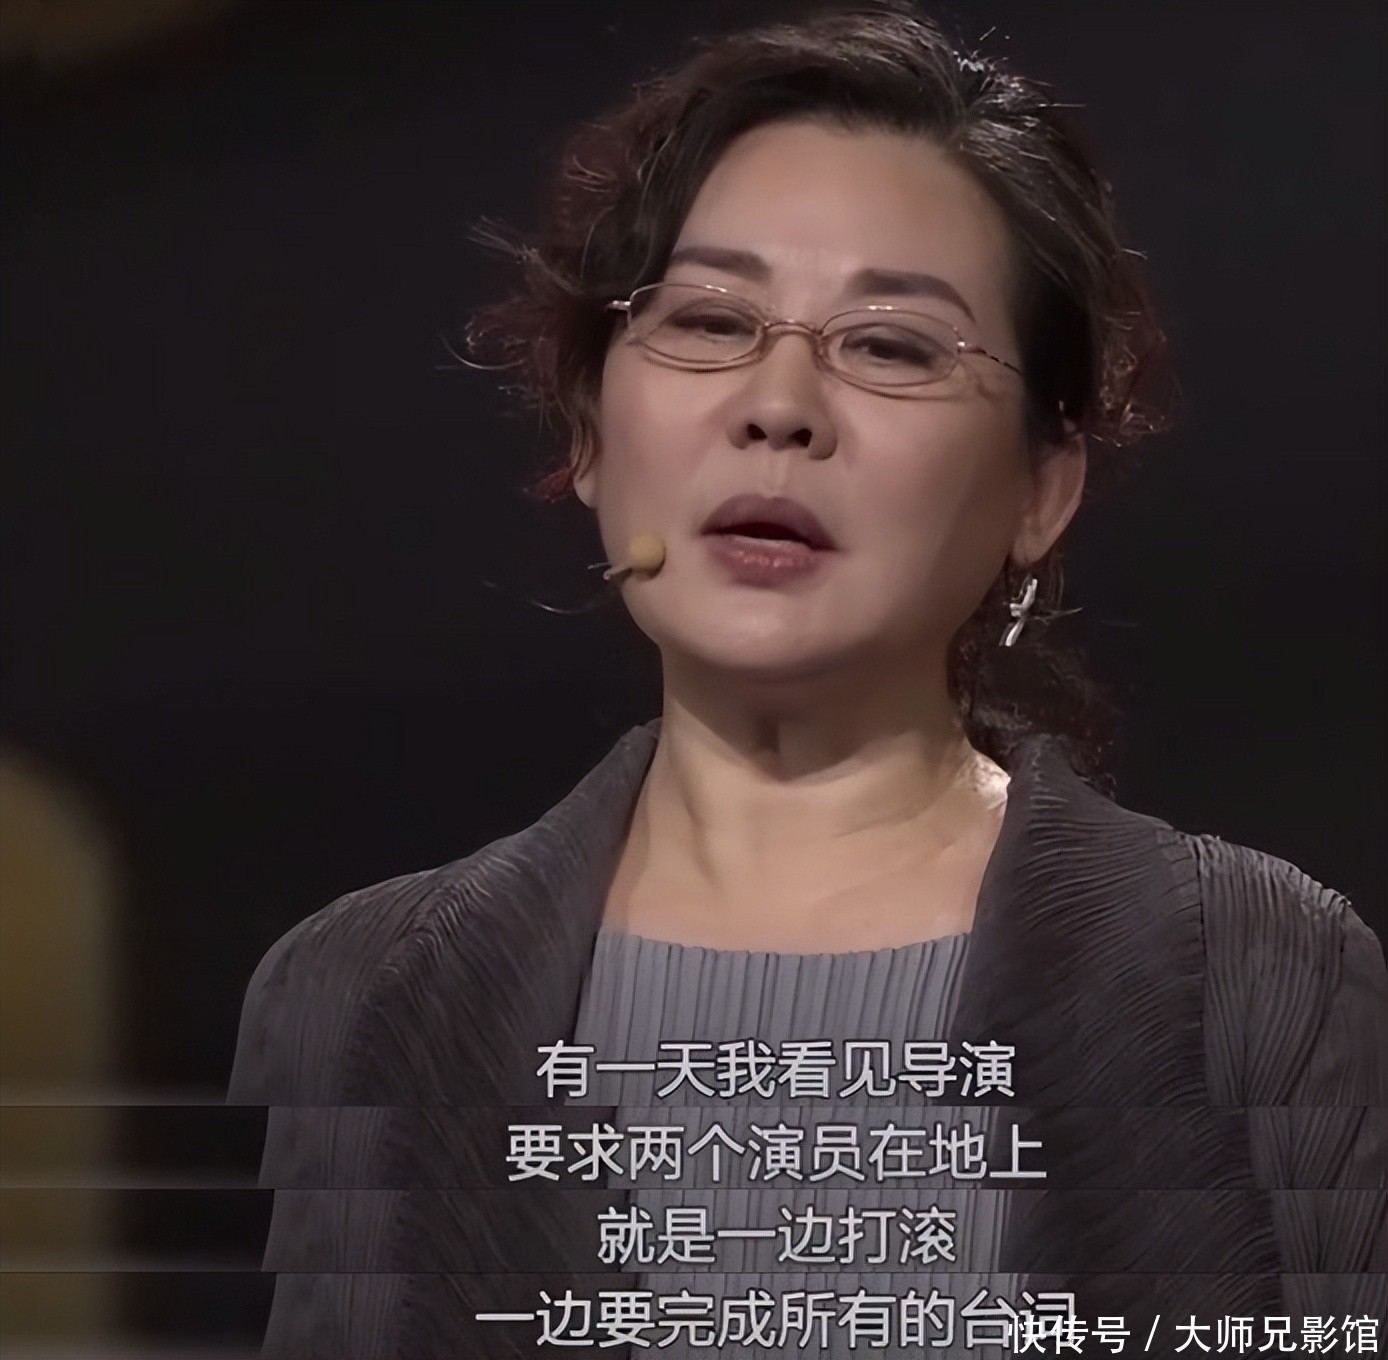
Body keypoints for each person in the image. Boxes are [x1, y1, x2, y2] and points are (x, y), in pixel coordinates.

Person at [228, 4, 1387, 1355]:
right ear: (589, 430)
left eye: (892, 345)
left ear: (1041, 486)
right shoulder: (359, 1001)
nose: (778, 405)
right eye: (709, 320)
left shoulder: (1258, 977)